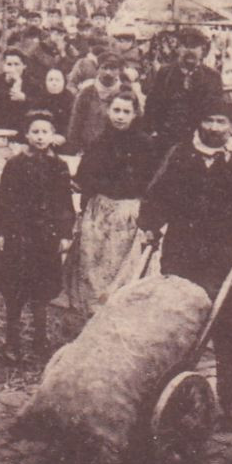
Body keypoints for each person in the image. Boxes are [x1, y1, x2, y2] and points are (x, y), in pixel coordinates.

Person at [138, 98, 232, 426]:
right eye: (209, 120)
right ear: (199, 122)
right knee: (175, 325)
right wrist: (150, 226)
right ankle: (169, 392)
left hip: (225, 260)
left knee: (227, 327)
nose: (214, 128)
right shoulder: (180, 155)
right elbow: (157, 195)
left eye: (221, 122)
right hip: (182, 255)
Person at [0, 111, 76, 361]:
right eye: (35, 132)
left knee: (41, 292)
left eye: (45, 132)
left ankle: (40, 341)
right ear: (27, 135)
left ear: (53, 135)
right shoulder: (15, 164)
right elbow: (3, 202)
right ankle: (12, 342)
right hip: (18, 236)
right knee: (15, 291)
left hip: (45, 239)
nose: (40, 137)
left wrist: (64, 233)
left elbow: (64, 203)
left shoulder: (59, 166)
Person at [66, 91, 157, 318]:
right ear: (108, 111)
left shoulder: (145, 144)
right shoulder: (98, 142)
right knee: (93, 259)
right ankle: (93, 309)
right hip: (100, 211)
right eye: (116, 110)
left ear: (135, 114)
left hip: (128, 212)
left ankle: (117, 308)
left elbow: (149, 182)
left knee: (122, 263)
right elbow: (84, 177)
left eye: (127, 111)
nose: (120, 116)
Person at [143, 27, 223, 149]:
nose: (190, 50)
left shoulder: (212, 77)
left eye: (195, 46)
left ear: (203, 50)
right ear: (178, 49)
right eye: (185, 45)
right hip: (166, 140)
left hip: (199, 142)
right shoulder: (165, 74)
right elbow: (152, 106)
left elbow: (215, 112)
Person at [65, 52, 130, 154]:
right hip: (88, 149)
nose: (108, 72)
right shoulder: (87, 92)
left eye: (113, 68)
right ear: (98, 69)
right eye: (104, 68)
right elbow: (75, 123)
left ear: (120, 71)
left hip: (117, 150)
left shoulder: (126, 92)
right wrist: (75, 148)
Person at [0, 48, 32, 132]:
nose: (13, 68)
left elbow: (39, 101)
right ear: (4, 66)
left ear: (24, 66)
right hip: (2, 125)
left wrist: (25, 98)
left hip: (24, 125)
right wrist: (7, 85)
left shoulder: (31, 82)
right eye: (9, 64)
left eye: (17, 64)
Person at [30, 66, 74, 138]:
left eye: (57, 80)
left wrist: (64, 136)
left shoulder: (70, 98)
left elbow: (72, 123)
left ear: (64, 82)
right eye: (50, 80)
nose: (54, 83)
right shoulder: (40, 97)